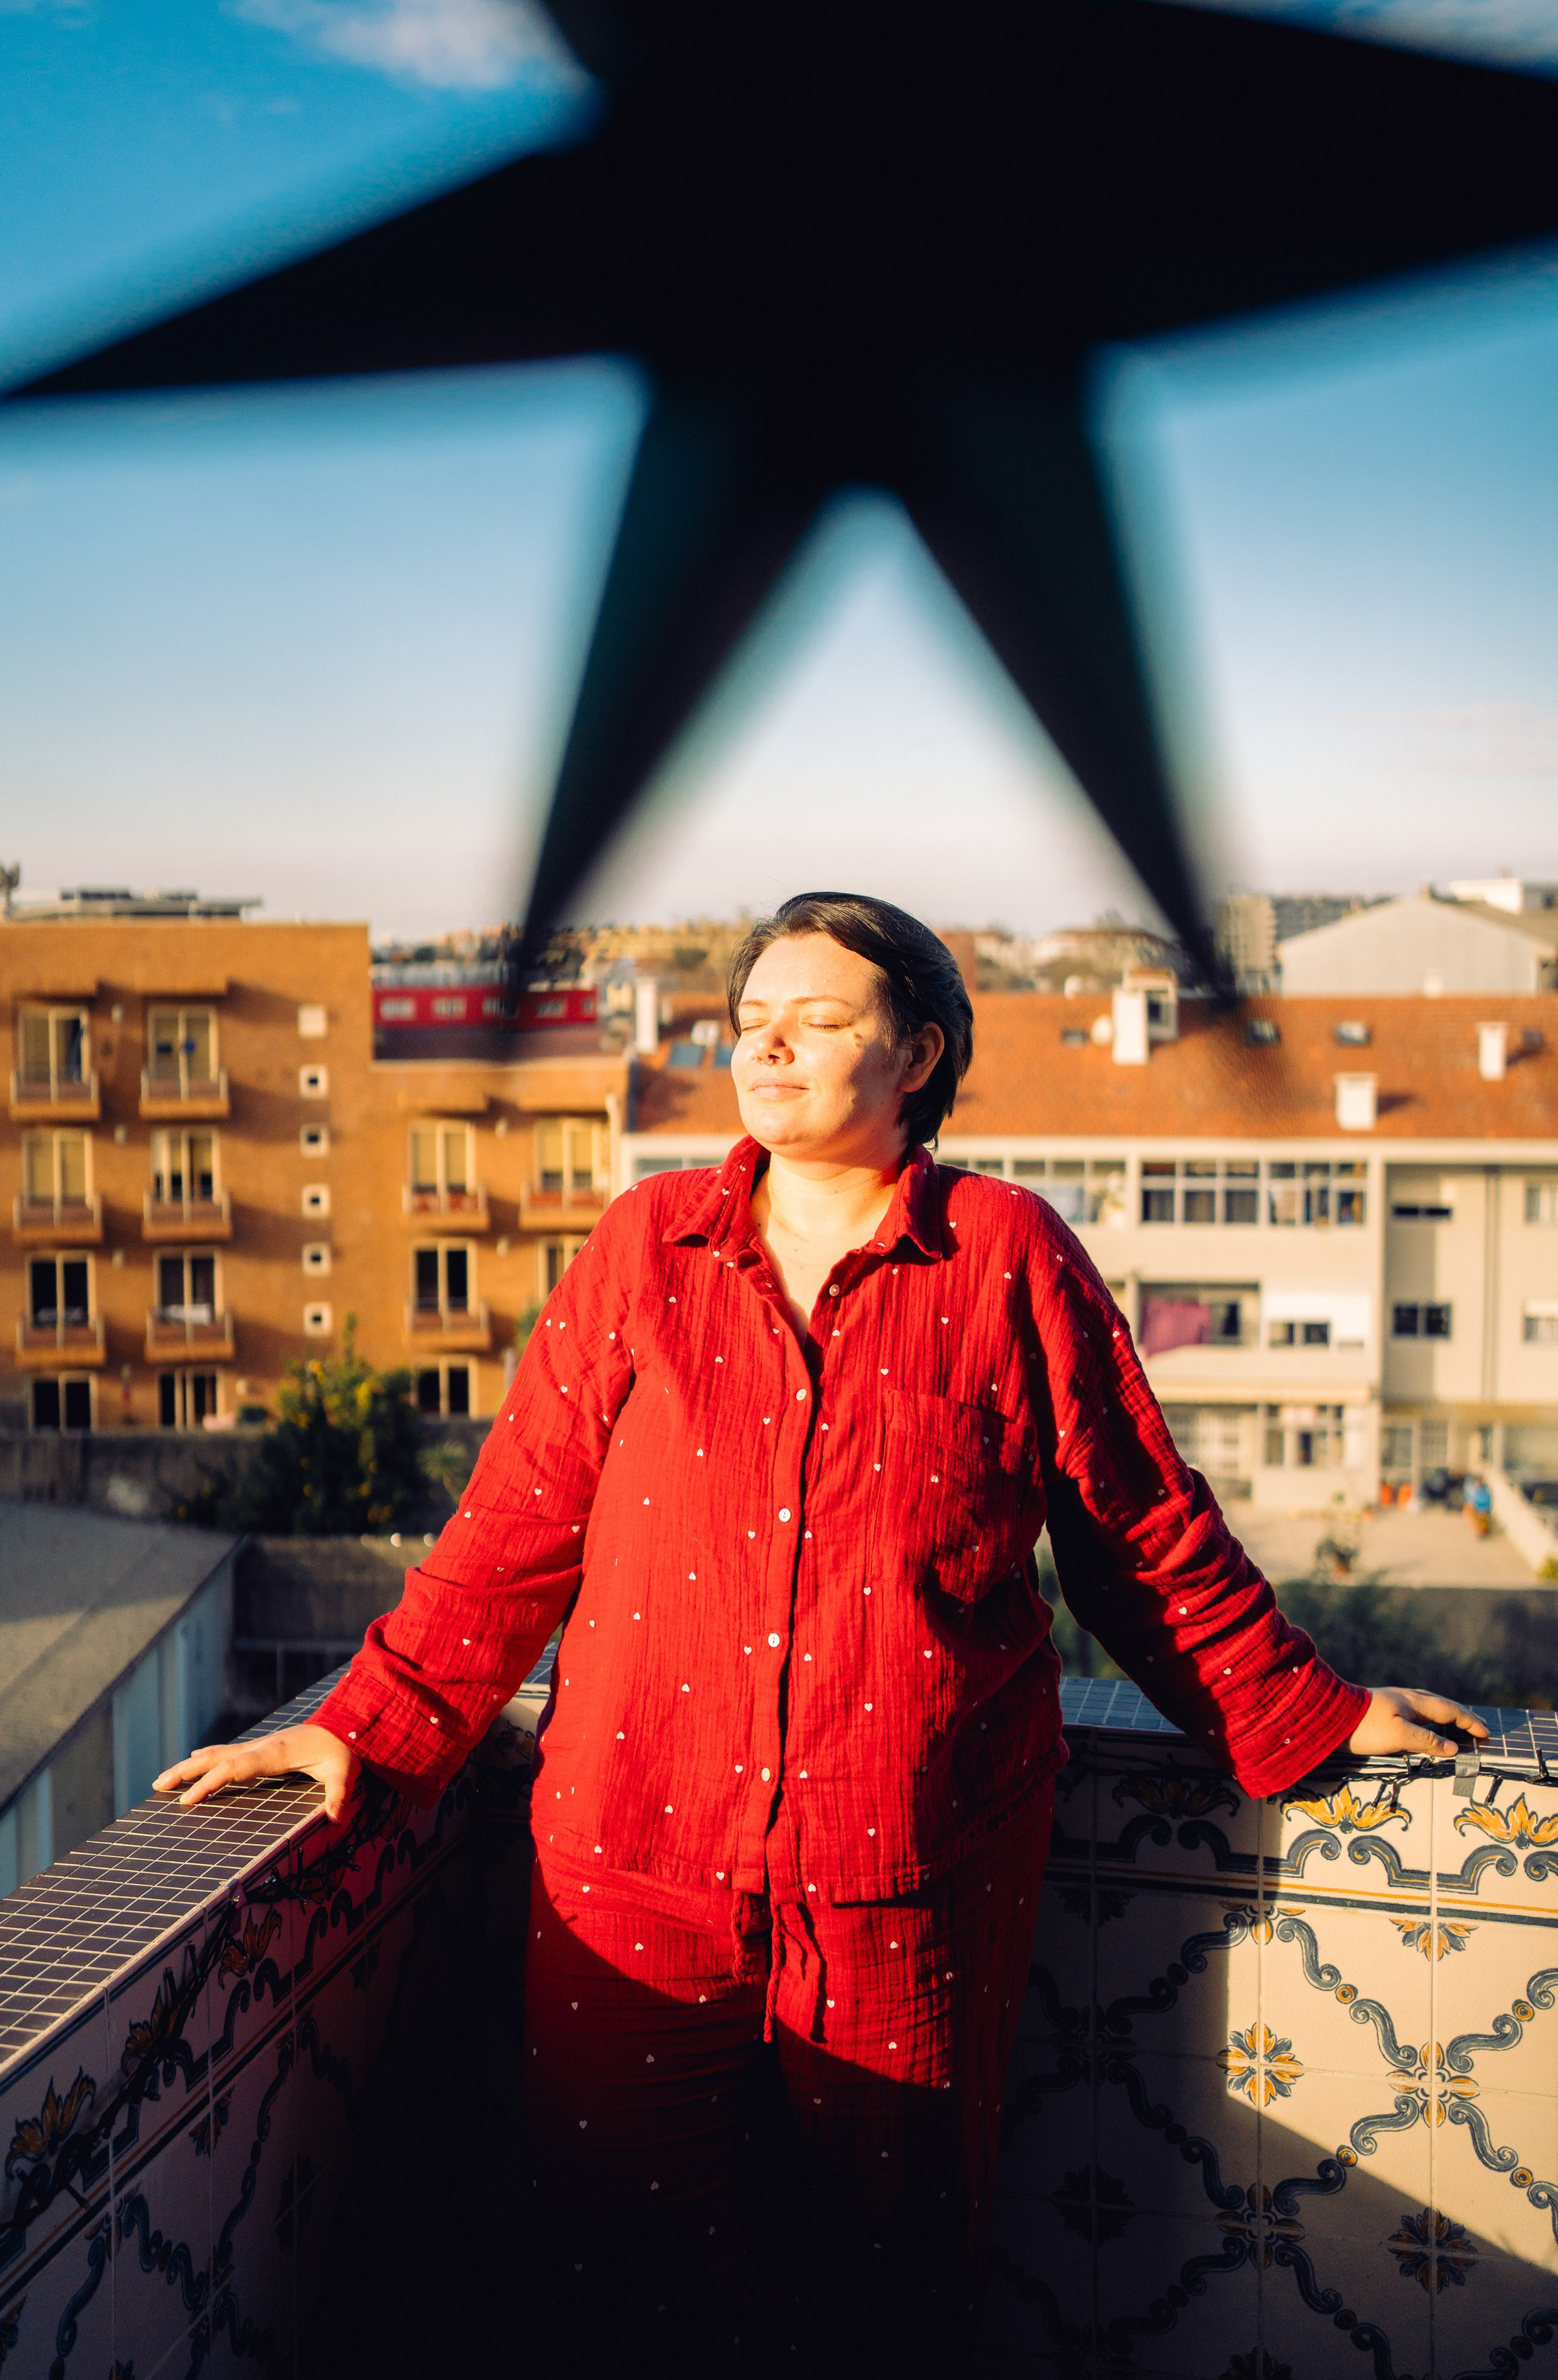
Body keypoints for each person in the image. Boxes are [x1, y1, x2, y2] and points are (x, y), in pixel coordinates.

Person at [157, 891, 1485, 2349]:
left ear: (916, 1054)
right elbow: (515, 1523)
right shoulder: (646, 1245)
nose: (765, 1048)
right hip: (632, 1874)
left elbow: (1135, 1530)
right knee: (616, 2286)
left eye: (817, 1020)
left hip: (906, 1893)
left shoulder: (1003, 1257)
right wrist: (366, 1725)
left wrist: (1310, 1707)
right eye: (748, 1022)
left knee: (883, 2296)